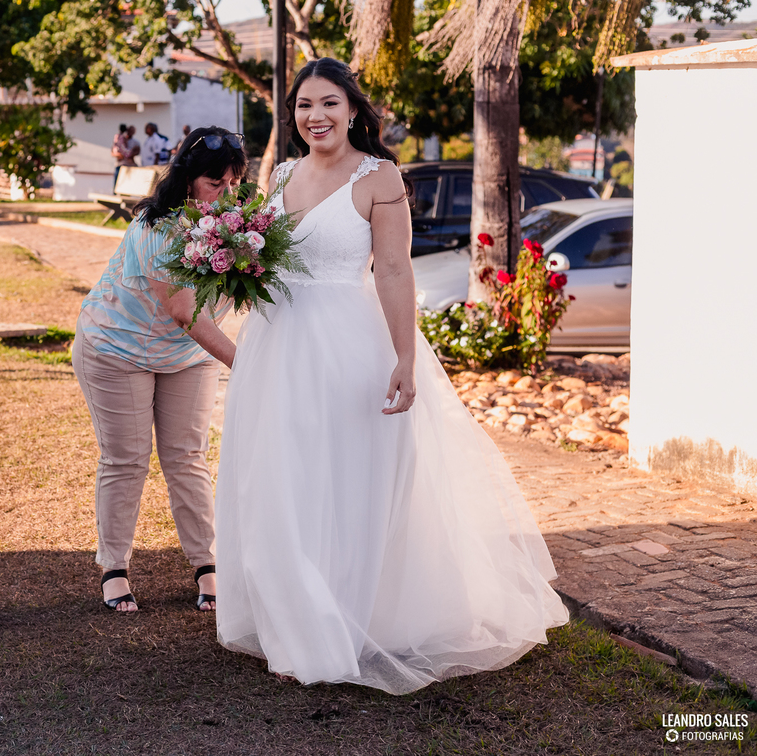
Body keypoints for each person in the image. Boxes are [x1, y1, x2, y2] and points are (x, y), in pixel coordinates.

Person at [214, 58, 569, 693]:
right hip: (276, 343)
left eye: (329, 103)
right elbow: (265, 257)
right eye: (304, 105)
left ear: (353, 110)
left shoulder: (379, 177)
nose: (316, 116)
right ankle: (293, 616)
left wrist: (405, 357)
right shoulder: (283, 174)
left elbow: (395, 270)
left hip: (347, 346)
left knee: (347, 479)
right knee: (278, 476)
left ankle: (347, 616)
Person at [74, 126, 247, 613]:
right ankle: (114, 567)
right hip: (117, 348)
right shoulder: (157, 229)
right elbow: (183, 311)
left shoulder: (236, 225)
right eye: (215, 184)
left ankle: (207, 563)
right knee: (127, 459)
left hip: (186, 355)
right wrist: (246, 364)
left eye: (234, 184)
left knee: (188, 456)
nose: (226, 196)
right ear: (188, 180)